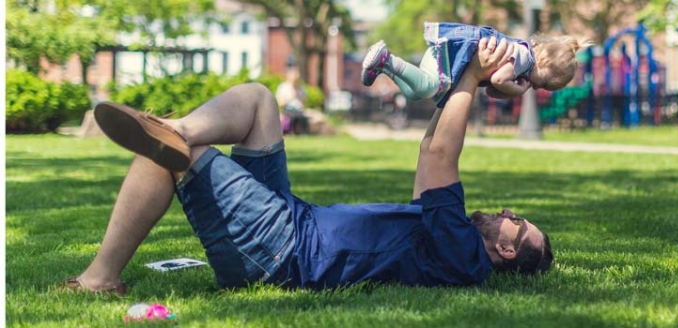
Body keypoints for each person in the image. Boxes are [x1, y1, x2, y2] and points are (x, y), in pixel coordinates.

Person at [62, 36, 552, 296]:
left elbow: (445, 154)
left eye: (517, 220)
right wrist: (474, 83)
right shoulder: (445, 236)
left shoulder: (462, 256)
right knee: (258, 101)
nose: (507, 213)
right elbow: (431, 151)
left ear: (508, 249)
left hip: (281, 252)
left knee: (174, 158)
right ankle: (180, 129)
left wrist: (472, 74)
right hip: (291, 220)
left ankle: (101, 277)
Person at [361, 22, 591, 108]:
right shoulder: (524, 58)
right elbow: (499, 80)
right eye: (543, 83)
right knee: (427, 88)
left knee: (413, 94)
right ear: (543, 61)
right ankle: (387, 58)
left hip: (445, 55)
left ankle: (384, 67)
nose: (537, 87)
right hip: (451, 55)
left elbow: (492, 89)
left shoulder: (521, 65)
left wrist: (508, 92)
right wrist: (517, 90)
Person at [275, 67, 309, 135]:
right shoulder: (283, 87)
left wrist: (299, 96)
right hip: (288, 110)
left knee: (303, 118)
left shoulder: (301, 88)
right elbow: (279, 103)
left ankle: (302, 133)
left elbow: (305, 103)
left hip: (299, 110)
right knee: (293, 117)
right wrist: (291, 97)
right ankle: (290, 132)